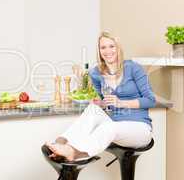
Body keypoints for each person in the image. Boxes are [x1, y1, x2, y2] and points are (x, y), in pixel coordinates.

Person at [46, 31, 156, 161]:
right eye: (103, 47)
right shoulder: (96, 73)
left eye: (112, 46)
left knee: (109, 127)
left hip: (139, 128)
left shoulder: (133, 68)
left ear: (118, 48)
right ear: (99, 51)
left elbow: (151, 100)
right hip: (116, 123)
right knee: (93, 109)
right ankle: (60, 143)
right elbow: (106, 103)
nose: (107, 51)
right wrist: (102, 103)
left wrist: (121, 103)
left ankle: (74, 152)